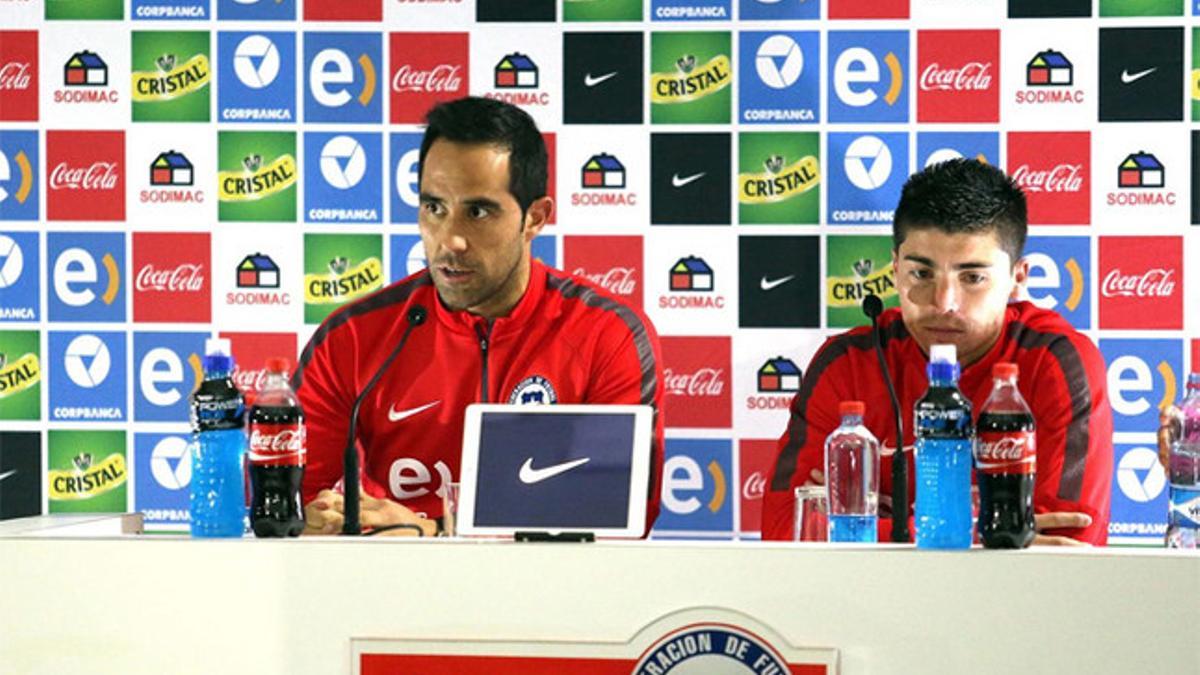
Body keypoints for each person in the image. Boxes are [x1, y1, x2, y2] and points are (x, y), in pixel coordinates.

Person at [295, 96, 665, 536]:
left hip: (555, 597)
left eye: (478, 211)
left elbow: (618, 517)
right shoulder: (352, 337)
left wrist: (430, 532)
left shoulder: (607, 334)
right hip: (392, 590)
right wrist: (319, 521)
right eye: (434, 207)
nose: (450, 239)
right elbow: (295, 501)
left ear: (535, 217)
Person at [762, 159, 1114, 545]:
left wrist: (861, 524)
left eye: (973, 277)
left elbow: (1069, 542)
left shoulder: (1057, 362)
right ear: (894, 269)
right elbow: (788, 530)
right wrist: (987, 530)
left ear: (1018, 279)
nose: (944, 302)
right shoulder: (847, 363)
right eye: (922, 274)